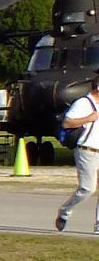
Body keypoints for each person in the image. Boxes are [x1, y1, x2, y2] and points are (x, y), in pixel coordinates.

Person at [54, 87, 99, 231]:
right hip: (87, 150)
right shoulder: (83, 103)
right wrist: (88, 118)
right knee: (87, 188)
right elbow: (67, 123)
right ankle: (65, 212)